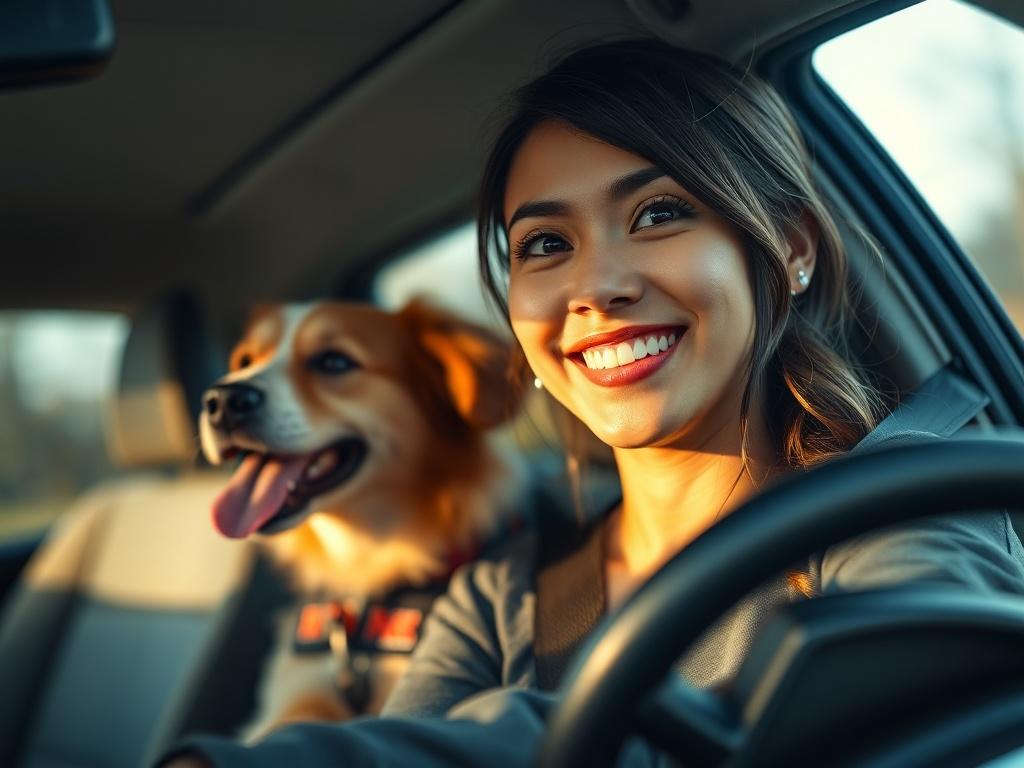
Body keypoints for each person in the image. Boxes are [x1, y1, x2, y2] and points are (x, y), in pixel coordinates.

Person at [161, 39, 1024, 767]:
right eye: (544, 243)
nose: (595, 286)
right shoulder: (497, 604)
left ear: (789, 249)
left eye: (656, 214)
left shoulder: (901, 512)